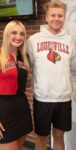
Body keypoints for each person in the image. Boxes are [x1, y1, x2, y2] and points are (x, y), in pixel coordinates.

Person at [27, 0, 76, 150]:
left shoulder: (69, 41)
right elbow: (27, 65)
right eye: (53, 15)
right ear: (47, 17)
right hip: (42, 98)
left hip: (63, 98)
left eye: (60, 16)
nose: (57, 19)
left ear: (64, 18)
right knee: (41, 136)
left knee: (59, 135)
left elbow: (74, 67)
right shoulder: (33, 40)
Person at [0, 20, 33, 150]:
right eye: (14, 33)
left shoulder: (23, 56)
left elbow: (21, 81)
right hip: (3, 109)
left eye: (22, 34)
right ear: (7, 34)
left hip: (21, 107)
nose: (18, 37)